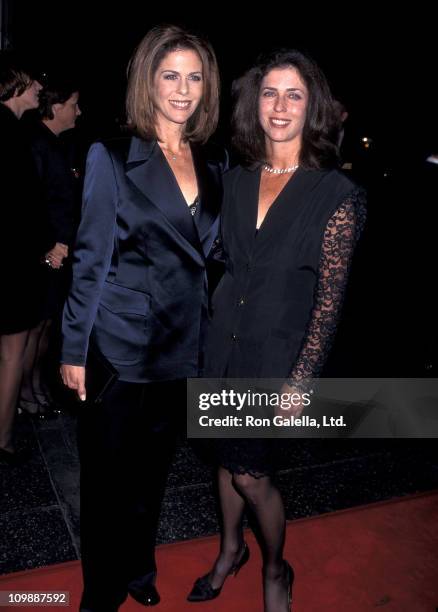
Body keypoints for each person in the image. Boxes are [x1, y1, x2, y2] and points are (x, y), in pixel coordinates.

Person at [187, 49, 366, 612]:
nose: (280, 105)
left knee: (250, 474)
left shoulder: (338, 195)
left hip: (277, 358)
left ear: (312, 105)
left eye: (294, 94)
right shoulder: (234, 181)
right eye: (270, 93)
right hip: (219, 348)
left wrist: (302, 382)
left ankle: (274, 568)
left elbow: (330, 303)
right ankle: (227, 551)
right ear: (254, 104)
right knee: (224, 460)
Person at [60, 25, 225, 611]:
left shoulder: (211, 161)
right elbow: (89, 257)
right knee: (106, 487)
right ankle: (100, 594)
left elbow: (211, 257)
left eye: (195, 77)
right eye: (170, 76)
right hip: (122, 346)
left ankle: (137, 567)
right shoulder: (111, 154)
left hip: (183, 350)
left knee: (151, 479)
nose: (183, 90)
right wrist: (73, 348)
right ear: (148, 82)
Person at [20, 77, 82, 416]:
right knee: (33, 328)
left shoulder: (59, 144)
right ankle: (24, 395)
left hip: (62, 249)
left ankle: (35, 387)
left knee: (45, 327)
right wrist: (51, 246)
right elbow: (32, 203)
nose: (79, 111)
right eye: (74, 104)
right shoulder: (36, 144)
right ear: (56, 108)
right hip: (47, 252)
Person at [0, 51, 43, 466]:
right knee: (12, 353)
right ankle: (4, 437)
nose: (39, 88)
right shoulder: (12, 136)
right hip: (11, 261)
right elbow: (22, 208)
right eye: (32, 82)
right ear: (14, 86)